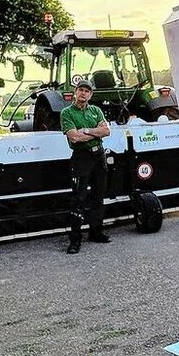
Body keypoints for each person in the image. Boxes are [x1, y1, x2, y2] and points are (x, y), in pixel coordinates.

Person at [61, 81, 112, 254]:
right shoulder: (66, 113)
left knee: (99, 196)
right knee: (78, 198)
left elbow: (106, 131)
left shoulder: (96, 110)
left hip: (99, 156)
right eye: (81, 90)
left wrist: (87, 131)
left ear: (91, 95)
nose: (83, 93)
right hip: (81, 158)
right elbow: (74, 137)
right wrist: (93, 131)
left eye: (87, 91)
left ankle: (96, 232)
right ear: (75, 92)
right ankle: (75, 240)